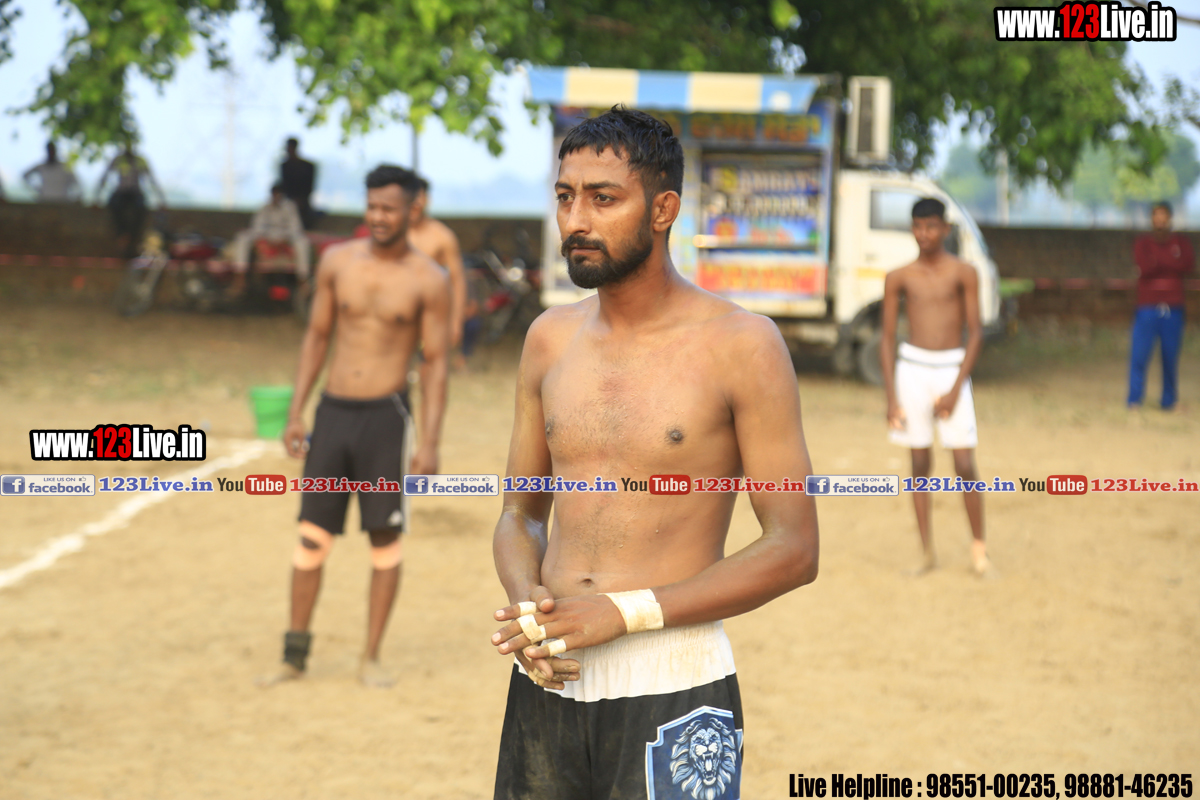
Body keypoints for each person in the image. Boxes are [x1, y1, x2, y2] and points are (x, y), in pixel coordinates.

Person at [488, 106, 819, 800]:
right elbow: (519, 515)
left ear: (663, 209)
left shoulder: (741, 345)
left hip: (674, 684)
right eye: (565, 197)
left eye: (603, 199)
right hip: (548, 681)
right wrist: (529, 610)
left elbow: (794, 548)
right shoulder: (548, 339)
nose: (576, 220)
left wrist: (626, 611)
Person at [258, 165, 450, 689]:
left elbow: (435, 364)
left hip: (387, 419)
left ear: (412, 210)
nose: (378, 217)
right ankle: (293, 657)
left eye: (389, 208)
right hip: (333, 415)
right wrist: (296, 411)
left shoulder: (429, 279)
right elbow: (317, 336)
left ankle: (371, 657)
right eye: (372, 206)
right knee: (311, 536)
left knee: (384, 537)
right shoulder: (337, 262)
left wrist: (430, 442)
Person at [880, 197, 988, 576]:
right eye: (918, 226)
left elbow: (976, 333)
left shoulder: (963, 272)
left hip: (951, 369)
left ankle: (979, 552)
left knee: (964, 464)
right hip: (912, 369)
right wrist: (891, 397)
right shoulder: (899, 276)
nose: (924, 234)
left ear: (944, 228)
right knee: (919, 462)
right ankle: (926, 552)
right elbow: (886, 338)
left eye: (931, 226)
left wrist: (956, 389)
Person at [1128, 201, 1194, 411]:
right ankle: (1134, 400)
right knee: (1139, 353)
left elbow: (1188, 265)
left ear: (1169, 218)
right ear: (1151, 219)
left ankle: (1169, 400)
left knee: (1170, 355)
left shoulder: (1181, 243)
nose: (1160, 219)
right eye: (1156, 215)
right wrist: (1170, 264)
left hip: (1173, 306)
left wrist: (1159, 262)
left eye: (1163, 215)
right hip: (1147, 306)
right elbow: (1145, 267)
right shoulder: (1142, 243)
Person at [408, 175, 467, 356]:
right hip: (399, 312)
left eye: (418, 197)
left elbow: (457, 280)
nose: (415, 203)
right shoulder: (394, 236)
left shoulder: (442, 236)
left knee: (430, 362)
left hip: (432, 313)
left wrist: (456, 321)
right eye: (410, 197)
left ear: (427, 199)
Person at [230, 183, 311, 300]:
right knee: (242, 237)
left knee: (303, 242)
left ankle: (302, 279)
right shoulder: (265, 207)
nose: (276, 196)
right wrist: (265, 240)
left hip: (286, 237)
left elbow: (296, 228)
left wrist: (284, 239)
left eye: (278, 194)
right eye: (274, 194)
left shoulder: (290, 207)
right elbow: (257, 227)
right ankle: (240, 276)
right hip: (267, 236)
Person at [95, 142, 166, 257]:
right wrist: (97, 198)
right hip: (120, 192)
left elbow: (151, 179)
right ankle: (122, 235)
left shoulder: (140, 160)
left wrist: (161, 200)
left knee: (140, 210)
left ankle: (131, 238)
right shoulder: (118, 160)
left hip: (135, 193)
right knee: (115, 206)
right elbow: (105, 177)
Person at [280, 137, 317, 230]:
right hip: (289, 202)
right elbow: (284, 186)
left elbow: (309, 186)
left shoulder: (307, 166)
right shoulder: (285, 166)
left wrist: (301, 199)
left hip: (304, 204)